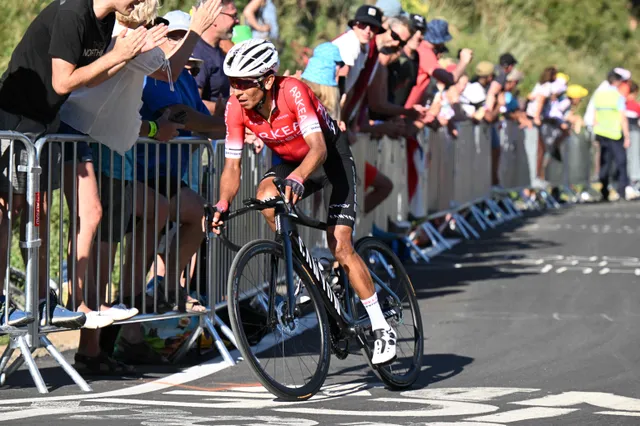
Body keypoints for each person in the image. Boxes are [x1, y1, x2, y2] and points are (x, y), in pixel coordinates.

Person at [212, 39, 397, 365]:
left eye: (243, 83)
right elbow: (232, 165)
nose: (236, 90)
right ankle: (302, 265)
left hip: (329, 158)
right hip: (289, 162)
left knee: (340, 244)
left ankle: (381, 327)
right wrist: (222, 203)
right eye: (232, 82)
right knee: (265, 196)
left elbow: (319, 150)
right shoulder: (234, 108)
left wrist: (298, 178)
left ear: (267, 80)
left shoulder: (293, 90)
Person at [0, 0, 164, 328]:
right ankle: (5, 301)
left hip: (46, 121)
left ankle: (45, 303)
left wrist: (125, 56)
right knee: (13, 210)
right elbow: (63, 82)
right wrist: (116, 55)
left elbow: (89, 80)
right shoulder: (72, 13)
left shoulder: (101, 21)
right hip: (17, 118)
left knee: (43, 212)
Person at [593, 69, 635, 201]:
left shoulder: (599, 95)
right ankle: (621, 190)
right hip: (615, 134)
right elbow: (622, 117)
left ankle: (604, 190)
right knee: (620, 162)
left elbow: (595, 115)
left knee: (605, 163)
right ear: (617, 82)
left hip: (601, 132)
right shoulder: (618, 96)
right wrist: (627, 136)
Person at [193, 0, 238, 116]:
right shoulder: (198, 53)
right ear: (214, 18)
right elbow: (193, 103)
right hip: (203, 131)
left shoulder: (220, 51)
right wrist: (233, 109)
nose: (237, 21)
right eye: (233, 16)